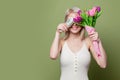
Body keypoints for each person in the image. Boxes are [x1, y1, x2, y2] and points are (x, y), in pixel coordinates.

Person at [50, 7, 107, 80]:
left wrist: (98, 41)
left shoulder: (88, 42)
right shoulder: (62, 42)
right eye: (71, 21)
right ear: (66, 23)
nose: (74, 24)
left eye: (77, 20)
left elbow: (103, 64)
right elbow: (53, 56)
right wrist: (57, 33)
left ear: (82, 22)